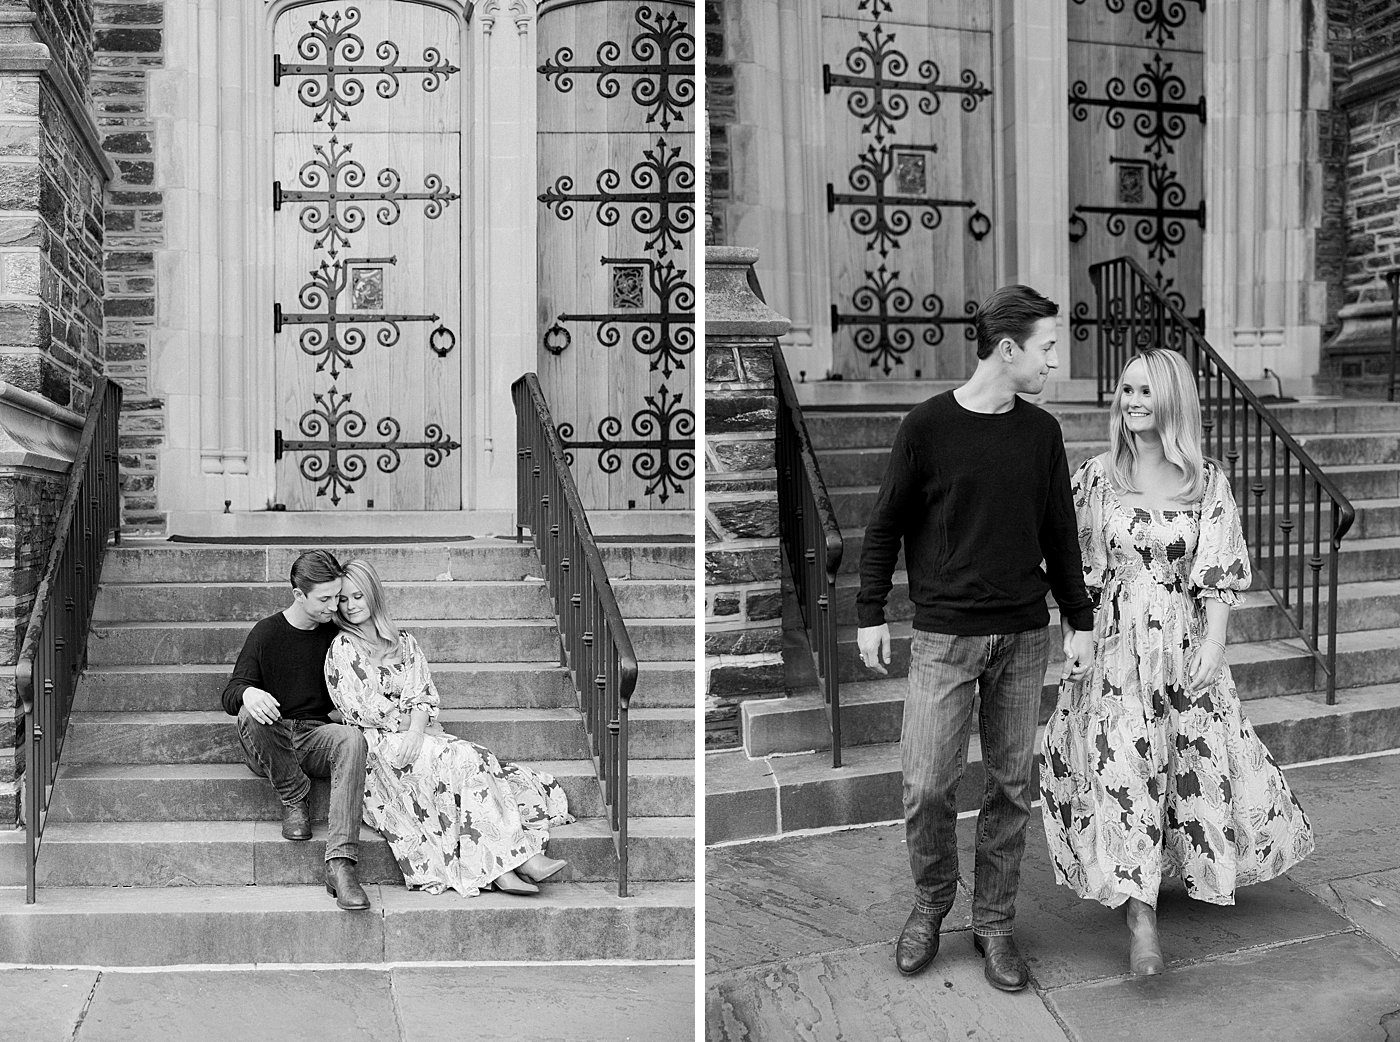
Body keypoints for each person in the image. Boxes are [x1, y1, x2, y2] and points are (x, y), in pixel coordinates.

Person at [1039, 349, 1314, 975]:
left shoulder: (1206, 482)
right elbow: (1071, 563)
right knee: (1125, 765)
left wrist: (1214, 646)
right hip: (1114, 646)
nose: (1131, 400)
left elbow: (1218, 568)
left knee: (1190, 759)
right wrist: (1073, 632)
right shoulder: (1095, 478)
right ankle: (1142, 921)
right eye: (1126, 389)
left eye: (1145, 390)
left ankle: (1175, 870)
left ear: (1173, 401)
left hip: (1184, 641)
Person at [856, 284, 1096, 992]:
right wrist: (870, 611)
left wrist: (1079, 618)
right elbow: (884, 528)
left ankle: (993, 923)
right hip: (944, 639)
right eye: (1048, 349)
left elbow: (1061, 534)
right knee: (927, 784)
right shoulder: (927, 428)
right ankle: (932, 903)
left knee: (1011, 787)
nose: (1054, 363)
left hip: (1024, 637)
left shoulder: (1040, 433)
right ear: (1009, 348)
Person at [325, 558, 572, 897]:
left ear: (373, 595)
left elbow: (422, 695)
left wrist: (416, 729)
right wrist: (415, 725)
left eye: (357, 596)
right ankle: (517, 862)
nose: (350, 606)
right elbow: (360, 707)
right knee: (464, 758)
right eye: (343, 599)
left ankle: (506, 867)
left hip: (416, 737)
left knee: (475, 756)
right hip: (377, 747)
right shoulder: (342, 648)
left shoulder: (405, 642)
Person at [223, 548, 371, 912]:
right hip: (270, 737)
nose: (334, 606)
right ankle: (294, 797)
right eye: (325, 599)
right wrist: (249, 691)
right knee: (249, 712)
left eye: (337, 597)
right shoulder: (267, 633)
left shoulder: (335, 635)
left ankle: (341, 864)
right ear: (298, 595)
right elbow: (229, 694)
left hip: (313, 737)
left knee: (352, 739)